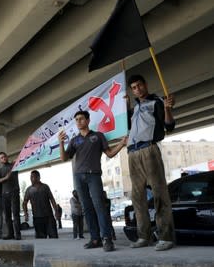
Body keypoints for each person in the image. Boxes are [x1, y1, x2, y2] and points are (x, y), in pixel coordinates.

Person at [59, 111, 127, 252]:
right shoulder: (74, 140)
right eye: (76, 119)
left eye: (81, 119)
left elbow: (109, 153)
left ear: (88, 120)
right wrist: (61, 143)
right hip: (78, 177)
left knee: (99, 206)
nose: (78, 121)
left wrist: (122, 143)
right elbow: (64, 158)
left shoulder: (98, 136)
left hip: (94, 176)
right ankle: (95, 239)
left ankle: (107, 239)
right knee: (87, 208)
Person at [126, 74, 176, 251]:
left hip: (149, 149)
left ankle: (166, 237)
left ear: (145, 85)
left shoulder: (157, 102)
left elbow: (169, 126)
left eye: (139, 85)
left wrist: (168, 109)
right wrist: (124, 106)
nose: (137, 89)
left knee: (159, 192)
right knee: (137, 197)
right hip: (132, 152)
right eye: (133, 87)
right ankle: (143, 236)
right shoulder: (133, 109)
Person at [23, 170, 58, 239]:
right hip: (37, 218)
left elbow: (52, 199)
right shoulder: (29, 190)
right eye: (31, 177)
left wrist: (56, 211)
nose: (31, 178)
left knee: (54, 238)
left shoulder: (45, 187)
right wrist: (26, 214)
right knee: (41, 240)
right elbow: (24, 203)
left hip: (49, 217)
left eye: (33, 177)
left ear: (38, 177)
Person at [0, 152, 21, 240]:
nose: (3, 158)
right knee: (7, 216)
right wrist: (5, 178)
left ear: (7, 157)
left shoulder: (14, 165)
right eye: (1, 157)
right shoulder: (0, 170)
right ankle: (10, 234)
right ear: (0, 160)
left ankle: (17, 234)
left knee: (15, 214)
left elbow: (21, 157)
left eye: (4, 156)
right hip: (4, 195)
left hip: (14, 193)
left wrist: (16, 161)